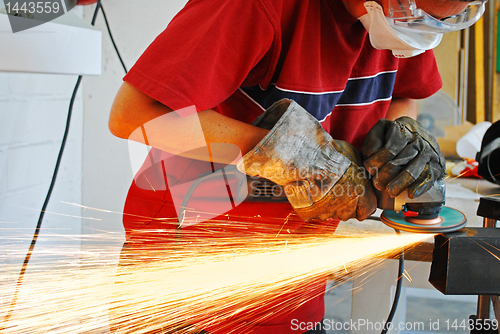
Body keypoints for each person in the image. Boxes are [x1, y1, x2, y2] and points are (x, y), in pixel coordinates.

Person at [108, 0, 486, 332]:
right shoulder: (258, 7)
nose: (425, 29)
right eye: (418, 13)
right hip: (187, 276)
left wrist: (401, 133)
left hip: (295, 278)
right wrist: (294, 154)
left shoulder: (403, 24)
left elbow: (405, 92)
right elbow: (135, 114)